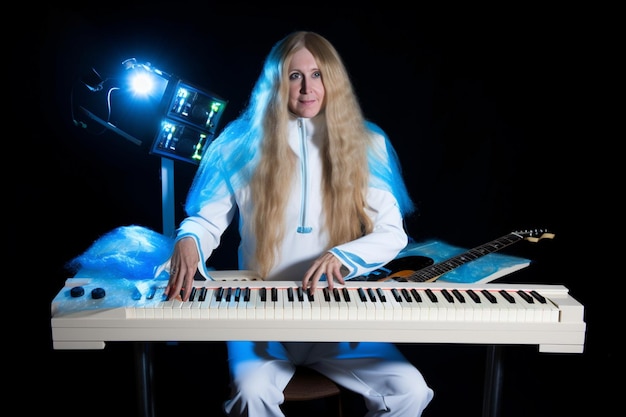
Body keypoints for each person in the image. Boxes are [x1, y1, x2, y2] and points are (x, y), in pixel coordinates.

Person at [162, 31, 433, 417]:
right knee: (252, 395)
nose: (307, 88)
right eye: (294, 76)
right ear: (276, 82)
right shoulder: (238, 143)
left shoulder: (367, 143)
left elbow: (391, 233)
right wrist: (189, 238)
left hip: (336, 314)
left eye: (318, 74)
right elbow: (206, 220)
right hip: (259, 315)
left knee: (410, 390)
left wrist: (342, 256)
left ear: (333, 80)